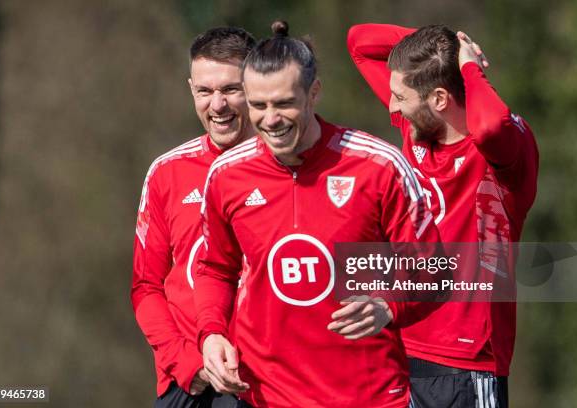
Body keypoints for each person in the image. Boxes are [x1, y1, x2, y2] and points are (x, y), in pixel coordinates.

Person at [195, 21, 440, 408]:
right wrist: (210, 333)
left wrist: (389, 306)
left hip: (370, 398)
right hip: (267, 398)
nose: (270, 119)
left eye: (284, 103)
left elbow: (434, 270)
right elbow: (214, 269)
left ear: (314, 93)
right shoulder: (227, 175)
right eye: (258, 105)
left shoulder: (378, 166)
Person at [347, 23, 539, 407]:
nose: (391, 107)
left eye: (400, 97)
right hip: (401, 343)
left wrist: (469, 68)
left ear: (438, 99)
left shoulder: (499, 153)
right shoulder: (417, 126)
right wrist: (451, 44)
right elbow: (360, 43)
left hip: (465, 362)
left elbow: (489, 127)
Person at [131, 26, 256, 408]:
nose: (217, 105)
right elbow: (146, 288)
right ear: (191, 90)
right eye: (205, 91)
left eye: (230, 90)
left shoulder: (292, 167)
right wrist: (186, 363)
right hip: (188, 384)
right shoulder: (167, 172)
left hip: (266, 382)